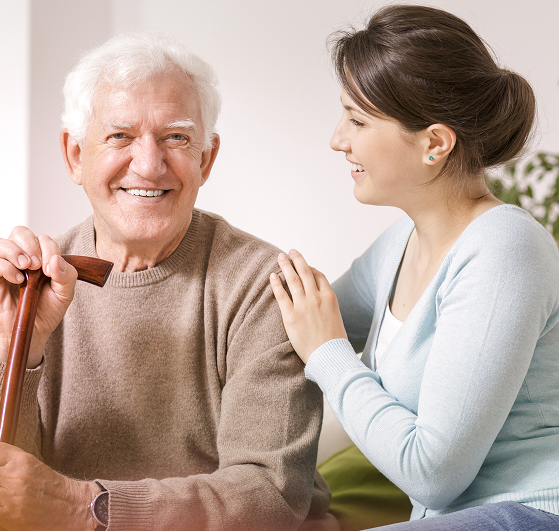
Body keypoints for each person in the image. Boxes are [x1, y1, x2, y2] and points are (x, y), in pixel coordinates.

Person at [0, 32, 336, 531]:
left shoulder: (265, 287)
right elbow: (12, 489)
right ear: (74, 155)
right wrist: (17, 349)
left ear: (206, 159)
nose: (150, 164)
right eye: (119, 136)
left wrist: (81, 507)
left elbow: (270, 496)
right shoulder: (31, 282)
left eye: (176, 137)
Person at [270, 5, 559, 531]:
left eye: (357, 120)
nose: (338, 139)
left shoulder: (505, 247)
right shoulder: (404, 240)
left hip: (531, 512)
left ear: (434, 143)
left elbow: (433, 474)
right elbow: (290, 330)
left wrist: (329, 354)